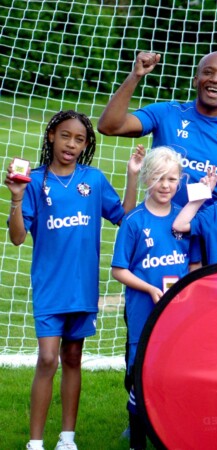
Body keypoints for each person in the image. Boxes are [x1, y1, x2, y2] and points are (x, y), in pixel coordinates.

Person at [5, 110, 141, 450]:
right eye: (65, 135)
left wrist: (132, 176)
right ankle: (35, 443)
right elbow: (18, 238)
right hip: (50, 287)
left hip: (83, 288)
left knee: (72, 357)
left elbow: (125, 217)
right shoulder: (35, 181)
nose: (71, 144)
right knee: (47, 358)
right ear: (52, 135)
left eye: (79, 139)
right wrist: (17, 198)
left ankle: (67, 439)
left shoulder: (92, 180)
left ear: (86, 145)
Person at [111, 146, 200, 450]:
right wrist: (149, 288)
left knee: (173, 373)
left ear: (180, 181)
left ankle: (171, 436)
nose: (165, 185)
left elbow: (194, 264)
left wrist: (185, 291)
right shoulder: (134, 221)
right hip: (143, 313)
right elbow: (119, 270)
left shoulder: (183, 219)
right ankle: (137, 443)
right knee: (140, 374)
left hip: (177, 313)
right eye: (159, 178)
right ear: (147, 178)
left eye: (172, 179)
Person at [97, 51, 217, 207]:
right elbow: (109, 126)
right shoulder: (167, 113)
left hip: (206, 222)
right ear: (195, 80)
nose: (215, 79)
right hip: (159, 219)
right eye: (208, 72)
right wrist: (135, 76)